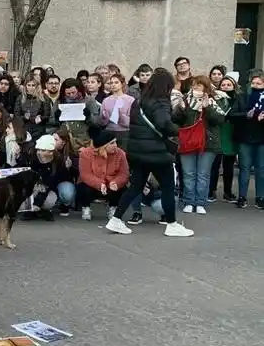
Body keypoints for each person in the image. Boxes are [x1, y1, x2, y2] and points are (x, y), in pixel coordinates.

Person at [106, 67, 194, 237]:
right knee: (168, 187)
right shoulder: (161, 100)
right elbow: (163, 123)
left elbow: (153, 120)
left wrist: (178, 115)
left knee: (136, 186)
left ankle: (116, 220)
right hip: (157, 152)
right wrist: (177, 130)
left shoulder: (140, 100)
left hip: (139, 150)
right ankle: (172, 224)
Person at [176, 75, 229, 214]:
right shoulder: (186, 99)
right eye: (193, 85)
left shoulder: (216, 100)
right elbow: (176, 119)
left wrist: (208, 108)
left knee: (203, 174)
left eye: (199, 85)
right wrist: (181, 108)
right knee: (188, 173)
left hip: (208, 143)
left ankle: (200, 202)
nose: (195, 88)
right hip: (188, 141)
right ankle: (189, 201)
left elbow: (219, 120)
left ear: (206, 87)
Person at [78, 131, 129, 222]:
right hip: (94, 184)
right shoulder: (85, 153)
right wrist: (99, 184)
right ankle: (86, 207)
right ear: (103, 145)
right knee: (83, 186)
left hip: (110, 183)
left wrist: (116, 182)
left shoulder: (120, 153)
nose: (115, 145)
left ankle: (113, 207)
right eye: (112, 143)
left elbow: (124, 174)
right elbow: (85, 174)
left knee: (120, 187)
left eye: (115, 142)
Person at [233, 69, 264, 209]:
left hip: (262, 138)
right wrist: (246, 115)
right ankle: (242, 196)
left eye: (259, 83)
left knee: (261, 169)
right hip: (245, 136)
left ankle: (260, 197)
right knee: (244, 168)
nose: (255, 85)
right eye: (253, 83)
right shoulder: (243, 97)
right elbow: (233, 114)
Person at [28, 134, 76, 220]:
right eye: (38, 150)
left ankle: (46, 208)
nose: (39, 152)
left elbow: (51, 182)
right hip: (35, 185)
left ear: (50, 152)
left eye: (43, 150)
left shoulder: (59, 161)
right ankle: (32, 209)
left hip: (50, 187)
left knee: (49, 201)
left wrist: (68, 168)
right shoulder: (33, 157)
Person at [211, 76, 239, 202]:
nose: (226, 87)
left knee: (228, 166)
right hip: (218, 132)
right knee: (214, 165)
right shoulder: (215, 98)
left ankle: (227, 192)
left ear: (234, 86)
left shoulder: (238, 99)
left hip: (231, 133)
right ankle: (211, 191)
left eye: (229, 84)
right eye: (223, 85)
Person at [100, 73, 135, 150]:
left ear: (122, 84)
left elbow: (132, 121)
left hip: (124, 132)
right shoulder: (106, 100)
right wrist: (105, 117)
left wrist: (121, 114)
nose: (113, 85)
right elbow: (102, 122)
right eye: (111, 83)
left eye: (116, 82)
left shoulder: (130, 100)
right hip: (109, 131)